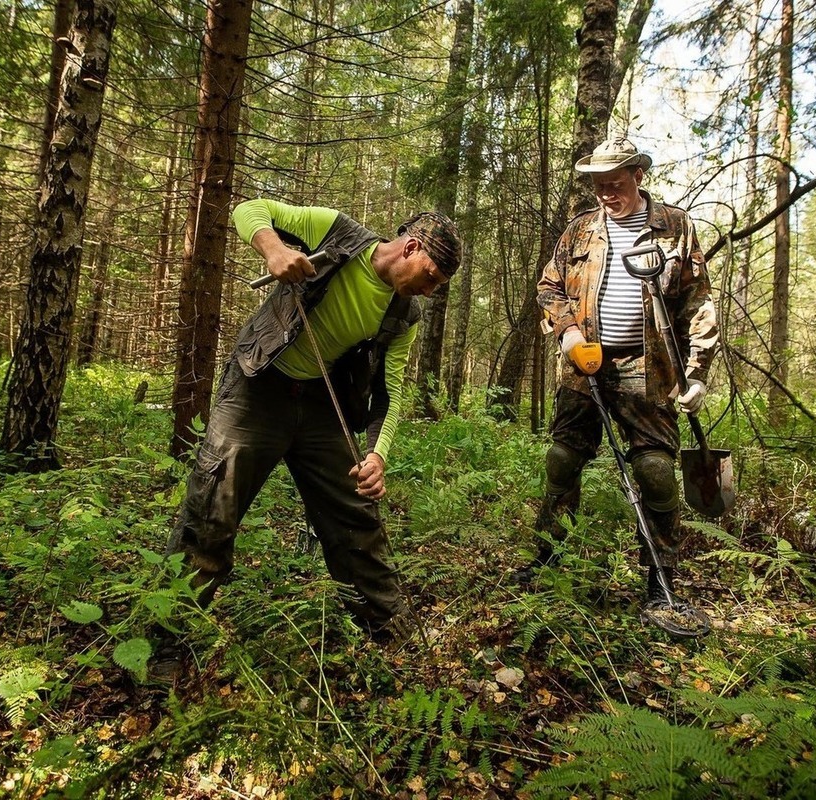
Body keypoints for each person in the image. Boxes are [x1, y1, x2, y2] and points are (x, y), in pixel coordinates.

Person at [157, 199, 462, 670]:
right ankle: (166, 645)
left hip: (323, 402)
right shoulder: (335, 231)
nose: (430, 289)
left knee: (356, 516)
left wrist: (378, 455)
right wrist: (273, 249)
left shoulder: (405, 315)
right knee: (212, 512)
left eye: (437, 285)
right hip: (257, 386)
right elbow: (248, 209)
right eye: (431, 276)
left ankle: (392, 639)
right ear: (412, 248)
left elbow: (392, 390)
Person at [519, 134, 718, 629]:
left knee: (654, 470)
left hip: (648, 370)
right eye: (598, 187)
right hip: (584, 364)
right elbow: (548, 285)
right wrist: (565, 331)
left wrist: (696, 373)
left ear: (638, 177)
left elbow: (698, 301)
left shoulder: (674, 228)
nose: (606, 194)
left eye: (615, 184)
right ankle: (547, 558)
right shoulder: (580, 230)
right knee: (562, 459)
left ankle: (660, 581)